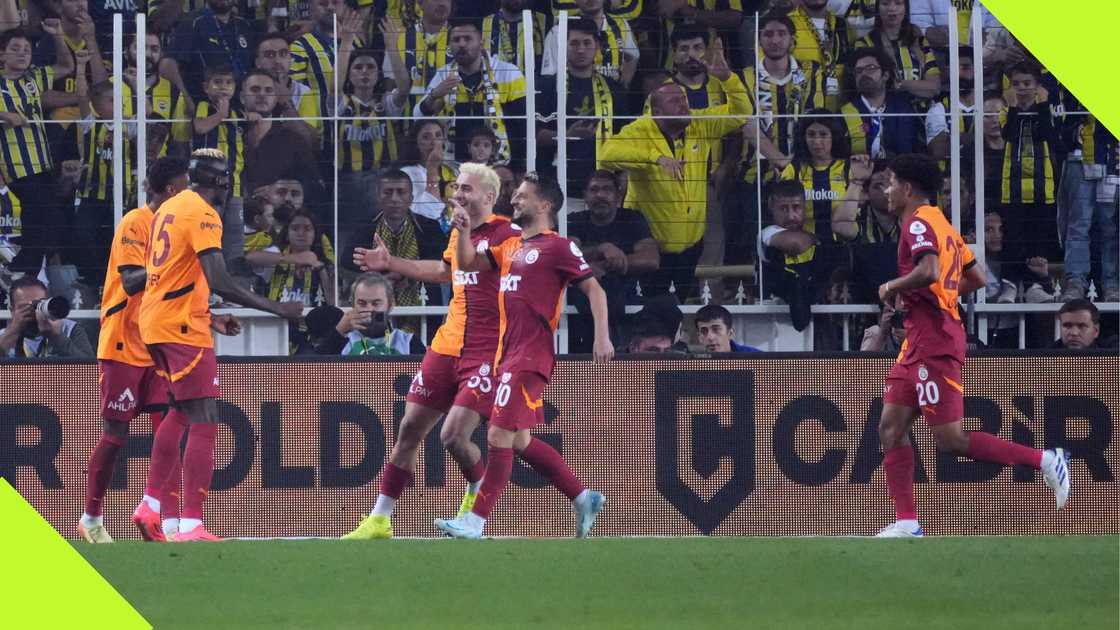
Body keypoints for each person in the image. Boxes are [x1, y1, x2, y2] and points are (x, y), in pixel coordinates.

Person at [345, 164, 590, 539]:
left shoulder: (511, 235)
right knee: (409, 429)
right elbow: (446, 270)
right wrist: (390, 262)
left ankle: (477, 503)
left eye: (466, 189)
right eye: (456, 187)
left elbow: (531, 277)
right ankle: (379, 520)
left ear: (489, 196)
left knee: (456, 437)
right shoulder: (460, 232)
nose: (457, 194)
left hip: (488, 352)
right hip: (446, 345)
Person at [874, 153, 1070, 538]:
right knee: (890, 427)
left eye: (891, 182)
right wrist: (943, 294)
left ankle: (1046, 460)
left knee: (951, 440)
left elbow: (929, 270)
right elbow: (976, 277)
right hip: (917, 340)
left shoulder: (917, 223)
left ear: (908, 188)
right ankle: (907, 521)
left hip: (935, 340)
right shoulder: (942, 224)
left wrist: (891, 286)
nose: (886, 190)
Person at [131, 149, 303, 543]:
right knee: (205, 417)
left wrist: (209, 316)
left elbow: (173, 273)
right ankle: (191, 524)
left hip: (156, 322)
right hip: (182, 328)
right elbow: (220, 279)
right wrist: (277, 308)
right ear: (222, 182)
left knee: (178, 411)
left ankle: (150, 505)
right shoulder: (204, 213)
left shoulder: (169, 208)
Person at [435, 171, 611, 539]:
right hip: (506, 355)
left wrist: (602, 337)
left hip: (531, 356)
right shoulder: (511, 245)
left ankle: (475, 522)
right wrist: (463, 230)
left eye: (522, 195)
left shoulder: (559, 247)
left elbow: (595, 290)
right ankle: (583, 497)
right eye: (514, 195)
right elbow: (466, 264)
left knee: (498, 436)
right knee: (518, 440)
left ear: (544, 205)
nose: (514, 200)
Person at [77, 158, 191, 544]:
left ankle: (165, 522)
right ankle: (91, 518)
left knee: (167, 432)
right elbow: (130, 282)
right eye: (185, 187)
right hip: (123, 343)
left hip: (158, 344)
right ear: (171, 190)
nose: (190, 195)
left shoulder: (178, 228)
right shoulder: (135, 223)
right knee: (115, 433)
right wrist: (171, 266)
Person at [599, 43, 747, 299]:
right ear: (656, 112)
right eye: (675, 101)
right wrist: (655, 158)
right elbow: (606, 155)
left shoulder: (699, 124)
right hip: (650, 248)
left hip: (691, 245)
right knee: (649, 306)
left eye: (684, 99)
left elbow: (741, 113)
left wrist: (727, 79)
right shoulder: (640, 130)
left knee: (680, 304)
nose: (684, 105)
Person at [536, 18, 631, 208]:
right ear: (564, 47)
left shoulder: (615, 90)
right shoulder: (547, 87)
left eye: (587, 43)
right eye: (574, 43)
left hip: (605, 189)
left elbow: (626, 139)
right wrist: (567, 135)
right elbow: (536, 136)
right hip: (559, 189)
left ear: (597, 46)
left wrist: (624, 176)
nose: (581, 49)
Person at [0, 26, 72, 273]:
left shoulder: (34, 78)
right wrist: (5, 115)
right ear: (2, 54)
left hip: (43, 163)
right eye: (15, 49)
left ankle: (20, 271)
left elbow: (66, 66)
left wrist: (58, 35)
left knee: (40, 222)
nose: (22, 53)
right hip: (16, 166)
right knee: (48, 218)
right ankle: (21, 270)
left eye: (27, 50)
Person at [416, 17, 527, 169]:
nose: (461, 44)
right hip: (453, 167)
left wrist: (515, 168)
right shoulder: (443, 74)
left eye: (468, 39)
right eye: (456, 40)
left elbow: (523, 126)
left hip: (500, 166)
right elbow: (418, 118)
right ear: (449, 46)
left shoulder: (508, 73)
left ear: (481, 43)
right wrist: (434, 95)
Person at [567, 170, 659, 350]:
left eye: (607, 189)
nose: (600, 195)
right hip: (584, 301)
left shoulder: (632, 219)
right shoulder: (574, 221)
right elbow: (568, 255)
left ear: (618, 195)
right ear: (585, 196)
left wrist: (601, 265)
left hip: (627, 296)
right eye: (594, 190)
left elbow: (651, 259)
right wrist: (601, 249)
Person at [192, 65, 247, 264]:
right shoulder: (204, 106)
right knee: (207, 232)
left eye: (228, 82)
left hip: (235, 184)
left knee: (234, 235)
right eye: (218, 82)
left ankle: (233, 274)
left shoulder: (238, 112)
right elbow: (200, 127)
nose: (224, 87)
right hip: (207, 184)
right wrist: (220, 114)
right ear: (206, 87)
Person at [313, 272, 427, 356]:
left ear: (390, 305)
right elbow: (313, 372)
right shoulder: (342, 340)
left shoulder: (408, 342)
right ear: (353, 305)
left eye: (376, 303)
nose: (369, 309)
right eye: (362, 303)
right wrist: (339, 331)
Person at [840, 47, 921, 159]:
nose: (863, 74)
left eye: (871, 68)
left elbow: (908, 152)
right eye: (858, 71)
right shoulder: (844, 114)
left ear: (885, 75)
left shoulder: (903, 109)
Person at [167, 0, 256, 100]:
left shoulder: (244, 25)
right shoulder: (193, 23)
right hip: (203, 102)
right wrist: (186, 98)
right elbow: (168, 64)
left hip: (241, 102)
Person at [541, 0, 638, 87]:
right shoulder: (559, 31)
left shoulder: (620, 25)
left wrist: (622, 88)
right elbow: (549, 75)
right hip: (573, 97)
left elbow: (633, 56)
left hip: (611, 98)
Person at [0, 276, 93, 358]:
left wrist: (57, 337)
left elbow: (90, 368)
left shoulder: (69, 329)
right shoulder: (3, 336)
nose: (33, 310)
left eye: (38, 304)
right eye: (25, 307)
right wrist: (13, 332)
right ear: (12, 311)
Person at [399, 120, 458, 227]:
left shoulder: (452, 169)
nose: (434, 142)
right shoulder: (407, 174)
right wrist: (432, 169)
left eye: (438, 135)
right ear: (416, 143)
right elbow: (428, 213)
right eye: (426, 137)